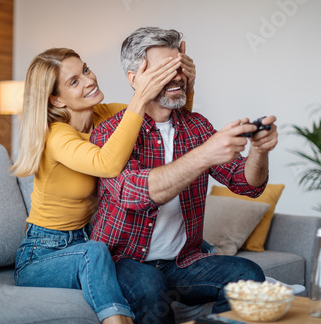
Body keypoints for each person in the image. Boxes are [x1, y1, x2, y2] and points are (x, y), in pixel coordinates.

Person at [90, 27, 278, 323]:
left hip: (181, 262)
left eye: (179, 66)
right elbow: (134, 194)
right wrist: (205, 154)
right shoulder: (110, 132)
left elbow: (247, 184)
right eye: (165, 70)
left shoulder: (196, 126)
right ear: (135, 79)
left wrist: (260, 151)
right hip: (123, 260)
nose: (178, 77)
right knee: (150, 286)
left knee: (248, 275)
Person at [10, 46, 196, 324]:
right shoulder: (57, 136)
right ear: (57, 100)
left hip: (86, 240)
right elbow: (106, 163)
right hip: (43, 253)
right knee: (95, 251)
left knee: (198, 246)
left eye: (85, 70)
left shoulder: (105, 116)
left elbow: (167, 121)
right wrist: (140, 95)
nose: (89, 80)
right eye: (74, 81)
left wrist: (184, 83)